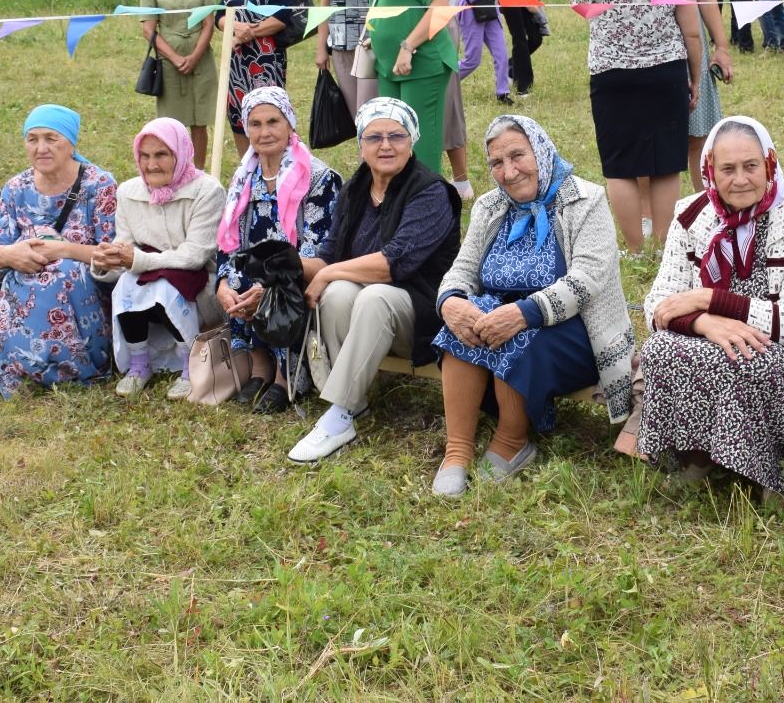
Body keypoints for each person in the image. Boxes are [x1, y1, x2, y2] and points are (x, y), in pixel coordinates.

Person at [432, 115, 636, 495]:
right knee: (460, 326)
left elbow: (587, 280)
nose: (509, 172)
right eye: (496, 163)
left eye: (517, 156)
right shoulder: (490, 205)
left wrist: (524, 313)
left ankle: (512, 441)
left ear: (540, 151)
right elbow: (462, 268)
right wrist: (451, 303)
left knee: (517, 335)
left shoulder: (585, 199)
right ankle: (457, 449)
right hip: (503, 314)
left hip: (575, 329)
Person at [637, 117, 784, 491]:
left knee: (748, 361)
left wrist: (707, 299)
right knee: (661, 348)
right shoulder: (691, 214)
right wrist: (704, 324)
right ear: (709, 170)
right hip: (712, 336)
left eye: (751, 166)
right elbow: (658, 307)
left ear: (770, 162)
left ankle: (775, 472)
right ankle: (697, 456)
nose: (741, 179)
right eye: (727, 169)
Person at [288, 98, 461, 463]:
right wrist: (286, 262)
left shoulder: (430, 191)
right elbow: (331, 253)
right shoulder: (356, 188)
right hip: (370, 310)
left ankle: (338, 414)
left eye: (396, 136)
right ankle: (356, 401)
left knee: (373, 296)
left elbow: (393, 264)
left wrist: (330, 273)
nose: (386, 145)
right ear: (361, 145)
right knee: (335, 294)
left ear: (411, 140)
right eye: (374, 137)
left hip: (422, 313)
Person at [549, 0, 701, 253]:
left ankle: (634, 250)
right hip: (667, 73)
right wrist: (693, 77)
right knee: (667, 164)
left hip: (612, 76)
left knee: (620, 167)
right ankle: (665, 247)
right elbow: (691, 32)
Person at [215, 88, 341, 411]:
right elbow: (227, 241)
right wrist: (224, 284)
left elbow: (318, 248)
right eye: (255, 124)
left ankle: (286, 376)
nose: (264, 131)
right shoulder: (244, 177)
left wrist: (266, 286)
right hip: (256, 279)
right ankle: (260, 366)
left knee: (280, 282)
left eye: (273, 121)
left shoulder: (317, 177)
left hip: (301, 270)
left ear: (290, 124)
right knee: (242, 273)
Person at [0, 105, 117, 398]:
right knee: (18, 275)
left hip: (84, 282)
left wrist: (64, 250)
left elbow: (113, 256)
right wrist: (11, 254)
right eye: (32, 139)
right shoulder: (16, 188)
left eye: (51, 138)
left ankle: (76, 370)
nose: (41, 148)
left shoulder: (99, 184)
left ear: (71, 143)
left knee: (63, 274)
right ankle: (16, 370)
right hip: (25, 274)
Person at [91, 117, 224, 398]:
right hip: (149, 278)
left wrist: (139, 261)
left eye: (162, 154)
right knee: (126, 285)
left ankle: (190, 362)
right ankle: (139, 363)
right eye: (145, 155)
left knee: (164, 286)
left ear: (181, 153)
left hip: (197, 284)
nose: (151, 165)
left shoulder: (207, 191)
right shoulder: (129, 192)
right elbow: (124, 245)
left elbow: (196, 255)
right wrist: (106, 261)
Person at [627, 0, 733, 195]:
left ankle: (706, 204)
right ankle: (647, 217)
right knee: (648, 137)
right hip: (643, 56)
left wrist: (722, 47)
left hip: (691, 51)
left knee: (697, 134)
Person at [363, 0, 459, 172]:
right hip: (388, 64)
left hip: (421, 61)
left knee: (419, 138)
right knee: (393, 134)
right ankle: (401, 195)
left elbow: (439, 9)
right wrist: (378, 34)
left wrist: (407, 46)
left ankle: (428, 200)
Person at [219, 0, 304, 143]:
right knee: (238, 115)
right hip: (236, 59)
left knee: (268, 112)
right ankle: (246, 171)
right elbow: (220, 15)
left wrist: (251, 32)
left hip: (267, 57)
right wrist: (236, 27)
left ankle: (278, 166)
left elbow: (283, 15)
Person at [140, 0, 219, 167]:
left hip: (201, 60)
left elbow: (209, 24)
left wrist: (195, 56)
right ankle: (174, 171)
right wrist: (175, 58)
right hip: (169, 63)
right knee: (171, 124)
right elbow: (149, 30)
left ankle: (199, 172)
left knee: (199, 120)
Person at [421, 0, 475, 201]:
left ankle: (460, 179)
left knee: (447, 103)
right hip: (447, 23)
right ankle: (460, 178)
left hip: (437, 25)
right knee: (448, 101)